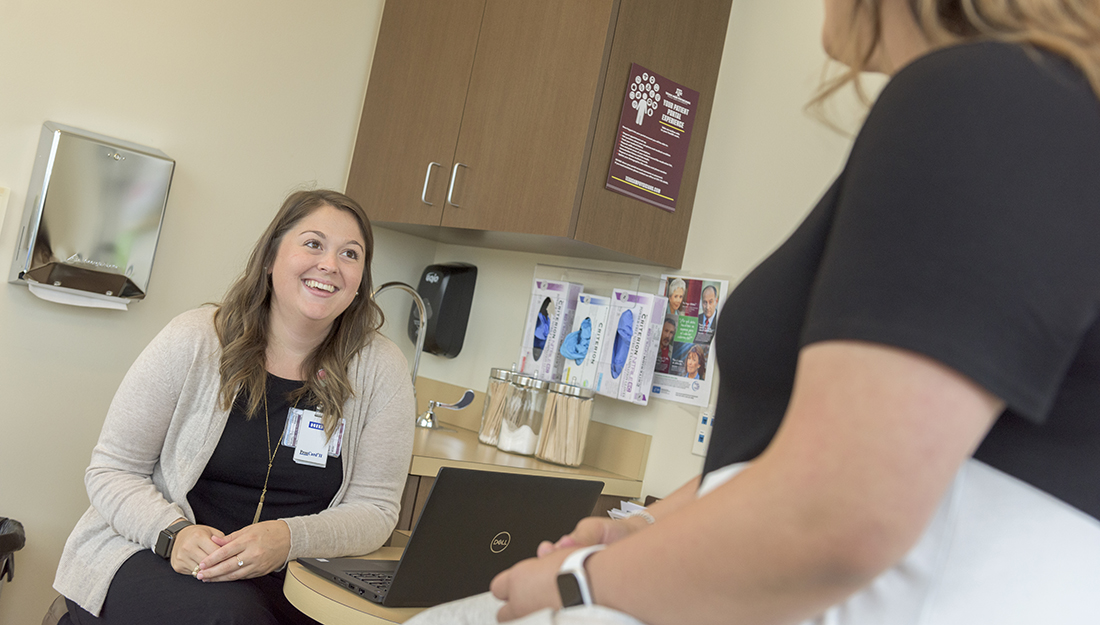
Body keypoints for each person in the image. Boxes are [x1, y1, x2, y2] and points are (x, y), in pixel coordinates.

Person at [407, 1, 1100, 623]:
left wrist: (578, 583)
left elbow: (839, 511)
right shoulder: (1026, 107)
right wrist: (649, 532)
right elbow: (802, 458)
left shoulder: (988, 95)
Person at [54, 189, 416, 624]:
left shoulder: (380, 369)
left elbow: (376, 511)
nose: (330, 265)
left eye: (350, 254)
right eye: (313, 243)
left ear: (360, 280)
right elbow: (112, 471)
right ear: (270, 258)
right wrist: (174, 535)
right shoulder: (195, 340)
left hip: (295, 575)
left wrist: (287, 539)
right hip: (159, 555)